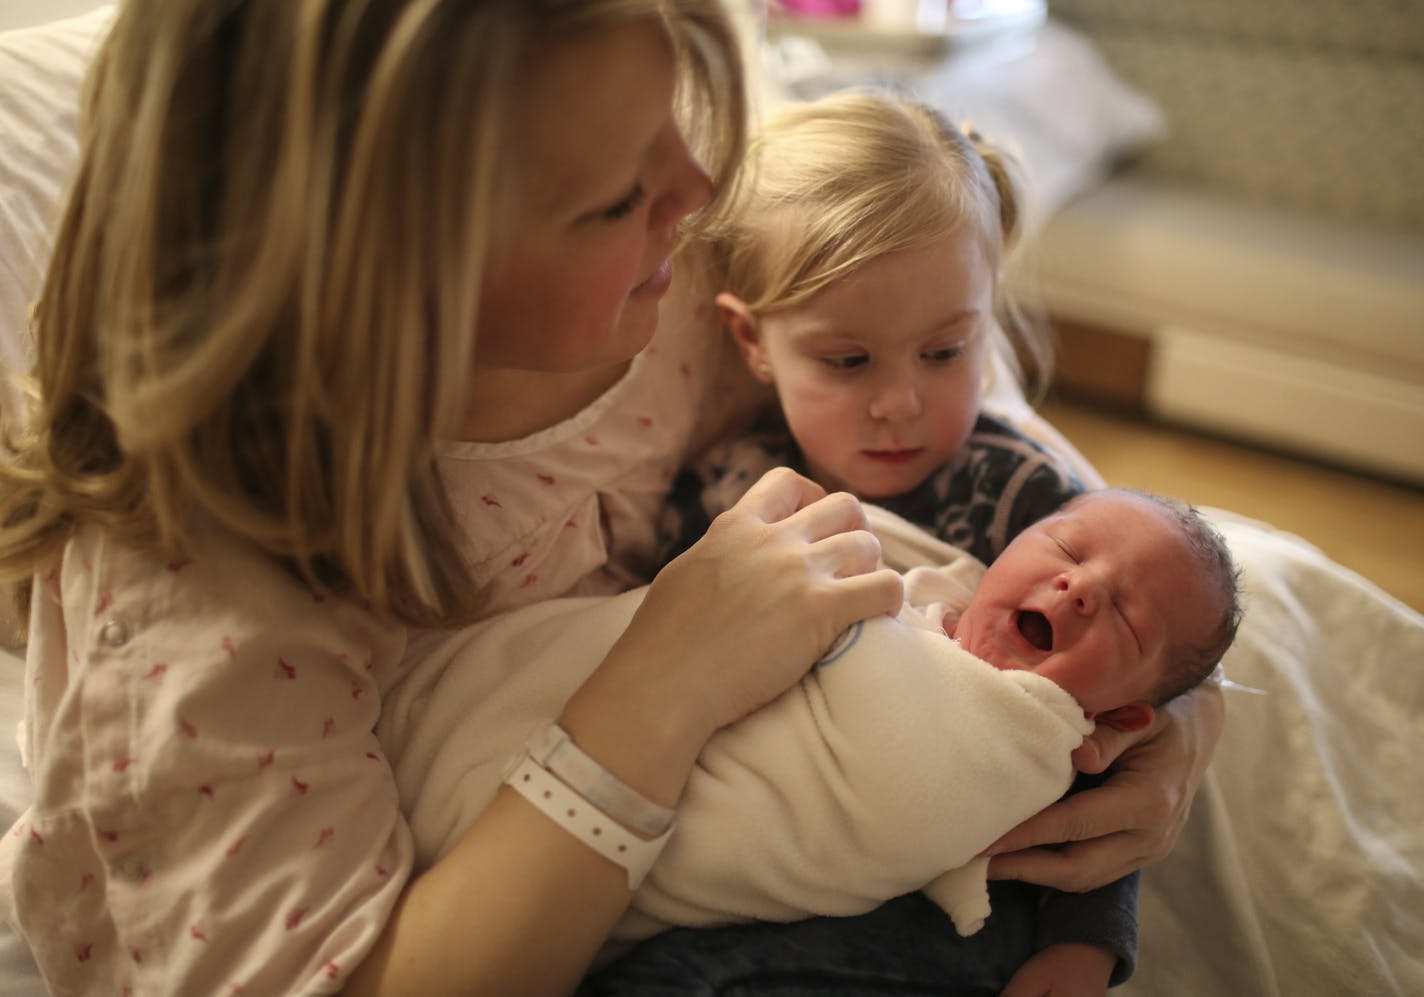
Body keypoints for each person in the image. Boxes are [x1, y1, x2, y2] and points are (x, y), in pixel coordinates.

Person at [0, 3, 1223, 995]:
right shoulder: (210, 587)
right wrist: (663, 678)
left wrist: (1171, 709)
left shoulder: (681, 279)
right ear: (388, 271)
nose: (694, 192)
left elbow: (1010, 460)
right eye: (608, 198)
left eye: (673, 133)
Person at [639, 89, 1152, 993]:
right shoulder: (724, 492)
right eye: (848, 361)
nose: (901, 402)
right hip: (764, 851)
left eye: (946, 351)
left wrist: (1084, 949)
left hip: (957, 888)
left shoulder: (1034, 514)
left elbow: (1101, 748)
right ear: (751, 339)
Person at [390, 487, 1241, 997]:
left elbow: (904, 778)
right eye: (1064, 545)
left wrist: (1091, 938)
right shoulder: (942, 595)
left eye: (1127, 617)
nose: (1081, 585)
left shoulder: (1024, 735)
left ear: (1125, 720)